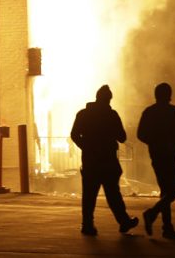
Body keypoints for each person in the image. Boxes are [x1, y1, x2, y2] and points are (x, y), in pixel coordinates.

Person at [70, 85, 139, 236]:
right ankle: (123, 221)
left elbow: (74, 134)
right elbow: (122, 137)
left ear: (97, 98)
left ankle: (87, 225)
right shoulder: (112, 115)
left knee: (89, 195)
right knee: (113, 194)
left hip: (90, 161)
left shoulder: (83, 114)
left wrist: (86, 147)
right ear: (108, 99)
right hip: (108, 161)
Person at [137, 82, 175, 240]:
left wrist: (154, 143)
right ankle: (153, 215)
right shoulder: (173, 111)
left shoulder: (149, 112)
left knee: (166, 192)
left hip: (157, 155)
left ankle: (167, 227)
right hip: (169, 155)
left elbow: (141, 134)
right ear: (168, 95)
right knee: (172, 192)